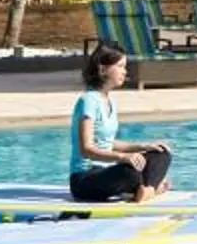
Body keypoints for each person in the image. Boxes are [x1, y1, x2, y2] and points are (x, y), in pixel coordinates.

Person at [69, 45, 173, 203]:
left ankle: (147, 190)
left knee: (162, 154)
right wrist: (123, 157)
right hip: (85, 179)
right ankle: (148, 188)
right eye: (120, 66)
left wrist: (143, 146)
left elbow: (109, 143)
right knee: (130, 173)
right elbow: (86, 149)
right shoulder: (88, 101)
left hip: (108, 171)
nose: (125, 71)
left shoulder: (109, 100)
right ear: (102, 69)